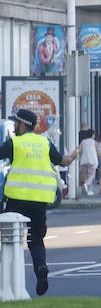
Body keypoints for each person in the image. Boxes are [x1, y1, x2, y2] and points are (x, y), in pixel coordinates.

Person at [0, 108, 62, 295]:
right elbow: (60, 160)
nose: (14, 127)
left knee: (10, 239)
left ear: (22, 124)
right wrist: (73, 156)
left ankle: (8, 281)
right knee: (35, 240)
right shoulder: (45, 143)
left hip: (16, 201)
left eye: (16, 123)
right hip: (38, 202)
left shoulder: (15, 143)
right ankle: (40, 268)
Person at [72, 128, 99, 196]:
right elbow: (98, 152)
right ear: (93, 135)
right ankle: (86, 184)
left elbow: (79, 149)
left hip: (84, 161)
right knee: (92, 175)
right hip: (92, 161)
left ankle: (89, 190)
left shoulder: (83, 141)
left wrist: (74, 153)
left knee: (87, 175)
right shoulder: (94, 142)